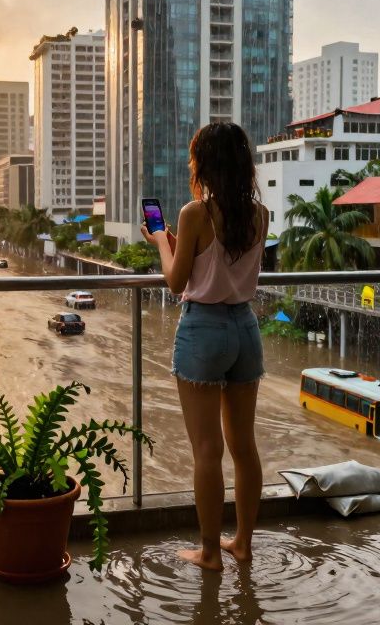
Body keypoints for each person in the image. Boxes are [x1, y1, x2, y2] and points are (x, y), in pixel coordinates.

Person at [141, 121, 267, 571]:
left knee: (207, 450)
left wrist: (160, 241)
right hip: (245, 329)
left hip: (205, 331)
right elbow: (221, 266)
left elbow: (178, 281)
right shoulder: (259, 214)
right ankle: (243, 544)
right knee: (244, 447)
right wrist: (180, 246)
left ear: (204, 165)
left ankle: (211, 552)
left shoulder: (195, 213)